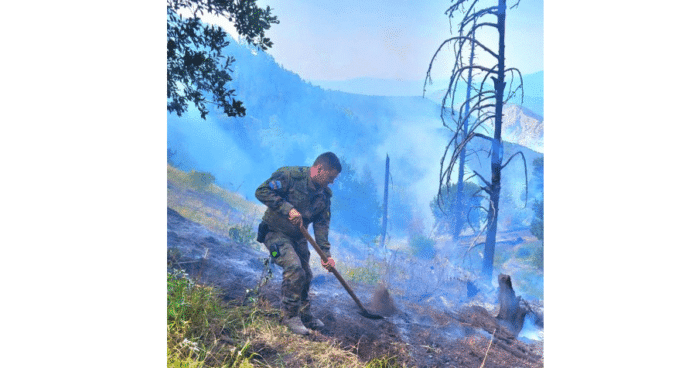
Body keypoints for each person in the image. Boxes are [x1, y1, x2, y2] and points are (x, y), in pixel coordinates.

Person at [255, 152, 341, 335]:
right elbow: (261, 191)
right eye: (331, 177)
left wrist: (326, 254)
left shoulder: (324, 196)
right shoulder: (290, 176)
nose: (332, 182)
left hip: (298, 238)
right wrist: (288, 209)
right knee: (295, 269)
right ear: (319, 169)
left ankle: (303, 313)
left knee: (306, 275)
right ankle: (289, 316)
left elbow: (321, 225)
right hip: (274, 233)